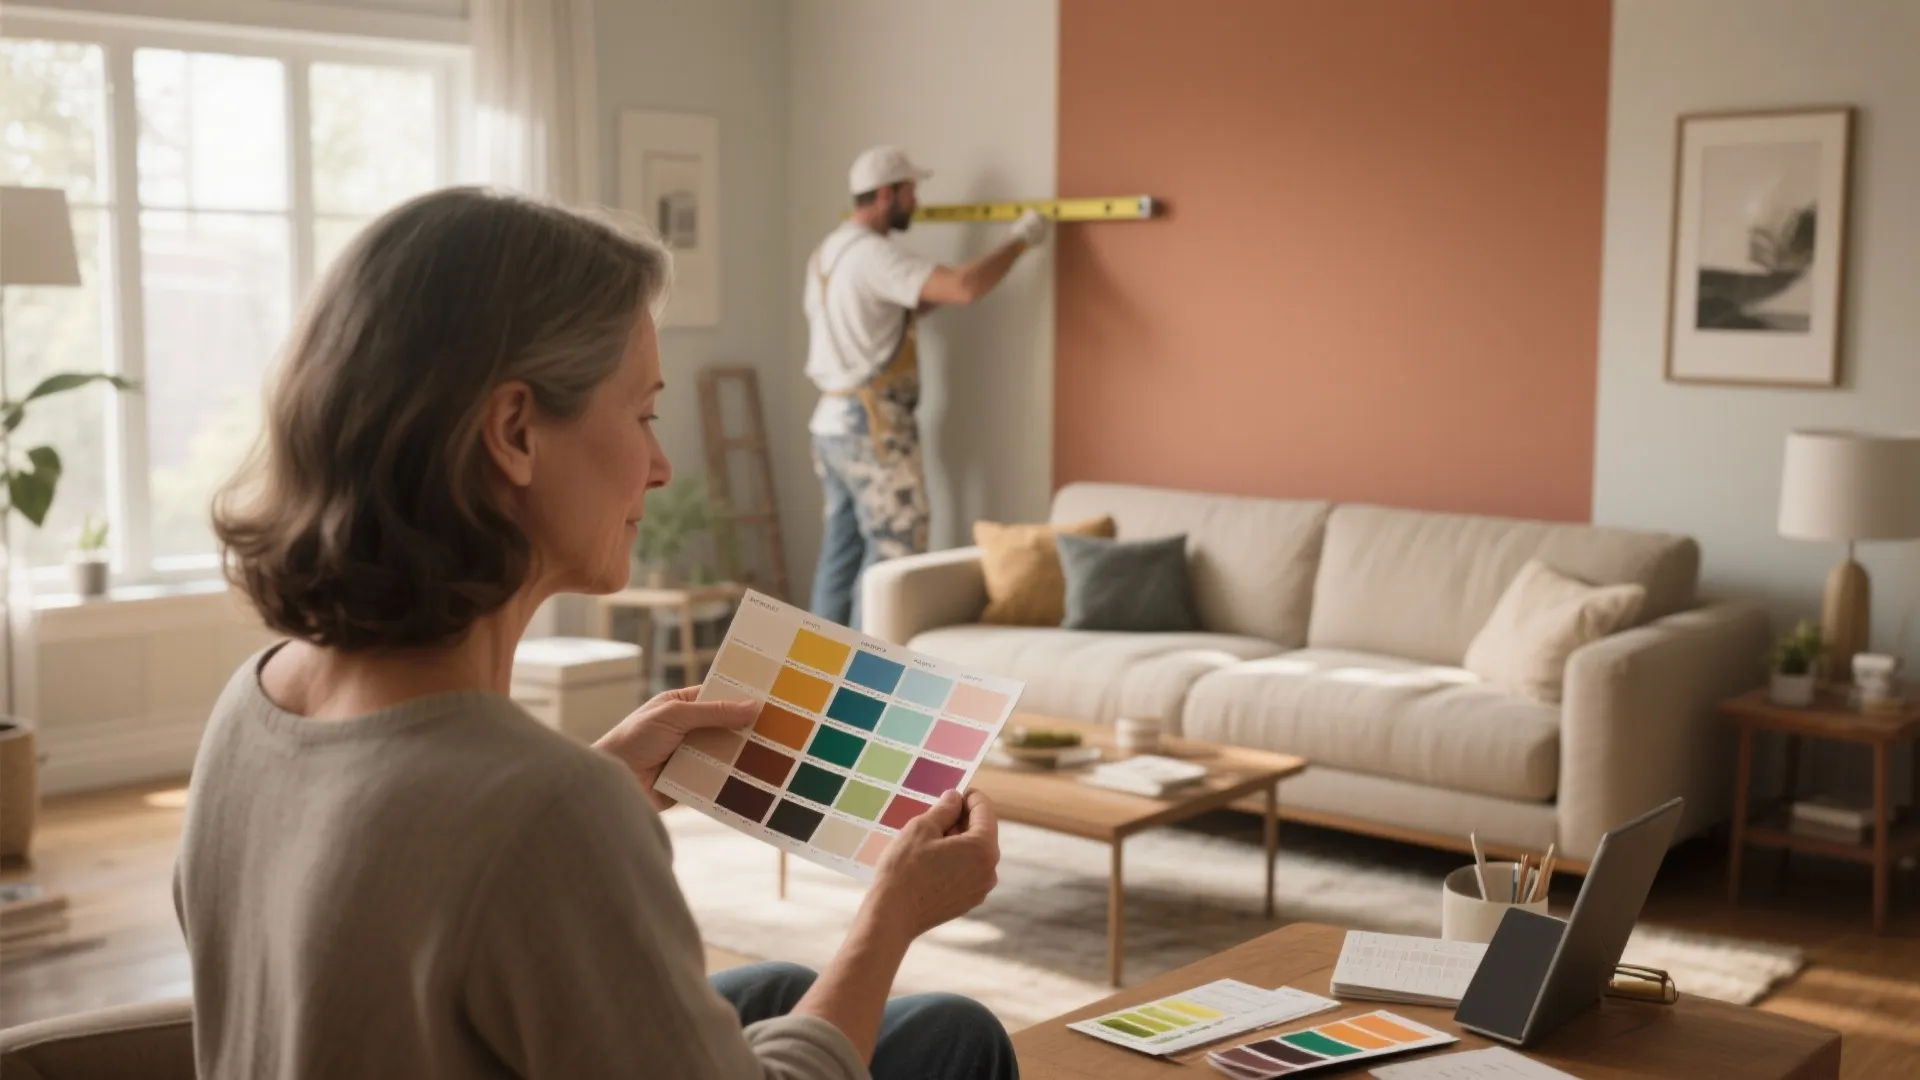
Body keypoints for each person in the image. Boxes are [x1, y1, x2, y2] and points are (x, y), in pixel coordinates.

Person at [179, 186, 1016, 1080]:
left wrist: (607, 774)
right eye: (645, 413)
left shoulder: (253, 703)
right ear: (514, 433)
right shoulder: (547, 814)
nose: (660, 467)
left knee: (772, 988)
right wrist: (891, 914)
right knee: (953, 1037)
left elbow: (412, 888)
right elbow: (504, 833)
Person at [802, 146, 1049, 628]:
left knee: (841, 555)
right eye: (912, 191)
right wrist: (1021, 240)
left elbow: (901, 309)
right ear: (888, 194)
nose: (917, 201)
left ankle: (810, 684)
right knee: (893, 560)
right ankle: (859, 690)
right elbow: (963, 287)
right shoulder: (875, 254)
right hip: (872, 426)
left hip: (831, 424)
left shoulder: (828, 253)